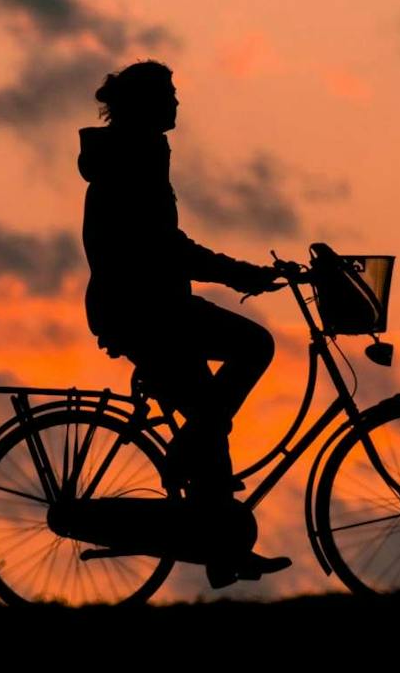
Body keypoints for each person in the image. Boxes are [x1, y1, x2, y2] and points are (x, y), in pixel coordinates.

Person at [76, 59, 293, 588]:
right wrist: (240, 273)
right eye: (169, 94)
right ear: (148, 105)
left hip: (150, 308)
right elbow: (166, 249)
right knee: (253, 347)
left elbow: (167, 248)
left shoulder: (138, 154)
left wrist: (238, 274)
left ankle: (224, 550)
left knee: (208, 414)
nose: (177, 102)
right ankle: (186, 457)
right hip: (143, 311)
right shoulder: (131, 160)